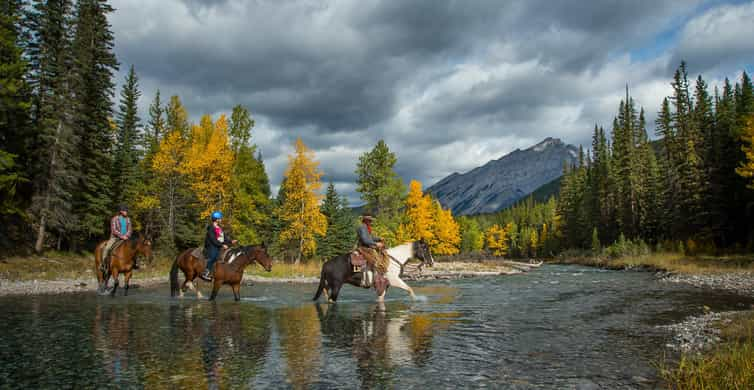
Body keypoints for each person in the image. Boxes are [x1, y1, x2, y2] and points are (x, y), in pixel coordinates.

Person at [200, 211, 237, 281]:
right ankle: (206, 272)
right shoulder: (211, 228)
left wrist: (231, 241)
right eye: (220, 218)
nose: (221, 219)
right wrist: (222, 245)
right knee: (213, 257)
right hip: (212, 246)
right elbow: (213, 240)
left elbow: (224, 237)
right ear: (216, 219)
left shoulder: (219, 228)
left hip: (218, 245)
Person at [103, 205, 134, 270]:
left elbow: (130, 229)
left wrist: (127, 236)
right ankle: (104, 263)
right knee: (107, 248)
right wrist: (122, 236)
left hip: (126, 237)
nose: (126, 212)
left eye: (126, 210)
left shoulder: (128, 219)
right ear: (121, 211)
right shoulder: (114, 219)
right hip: (115, 238)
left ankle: (135, 263)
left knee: (134, 249)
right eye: (125, 210)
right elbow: (114, 230)